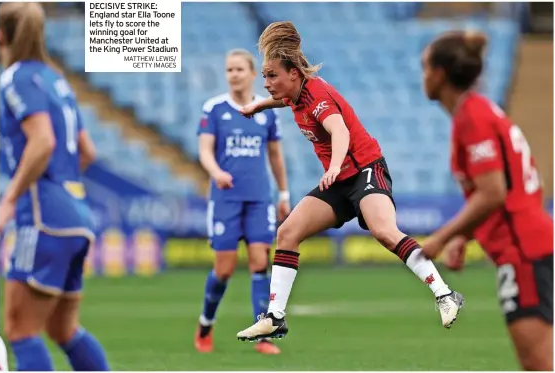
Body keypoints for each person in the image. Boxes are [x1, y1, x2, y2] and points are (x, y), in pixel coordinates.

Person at [235, 21, 464, 342]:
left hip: (364, 169)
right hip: (339, 180)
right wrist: (259, 103)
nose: (267, 83)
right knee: (287, 233)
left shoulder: (317, 95)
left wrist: (336, 164)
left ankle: (444, 294)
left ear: (294, 74)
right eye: (265, 77)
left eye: (272, 76)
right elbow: (283, 99)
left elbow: (339, 130)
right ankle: (275, 317)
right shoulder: (295, 94)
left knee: (384, 232)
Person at [419, 30, 553, 371]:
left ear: (440, 74)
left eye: (425, 68)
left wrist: (442, 237)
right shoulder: (478, 111)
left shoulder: (472, 117)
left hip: (522, 249)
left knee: (538, 362)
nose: (423, 77)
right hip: (529, 243)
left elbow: (494, 192)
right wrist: (466, 235)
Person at [0, 3, 110, 371]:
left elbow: (42, 141)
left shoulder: (14, 78)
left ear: (1, 35)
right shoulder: (55, 79)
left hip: (44, 218)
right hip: (76, 215)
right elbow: (87, 150)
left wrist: (10, 199)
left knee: (20, 329)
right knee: (63, 329)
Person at [196, 49, 290, 354]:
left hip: (259, 198)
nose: (233, 74)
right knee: (223, 269)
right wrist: (216, 172)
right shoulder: (214, 109)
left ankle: (261, 335)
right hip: (226, 199)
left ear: (252, 74)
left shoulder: (267, 111)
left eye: (239, 69)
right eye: (229, 70)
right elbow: (205, 150)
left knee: (260, 263)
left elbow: (275, 155)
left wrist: (284, 193)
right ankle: (205, 325)